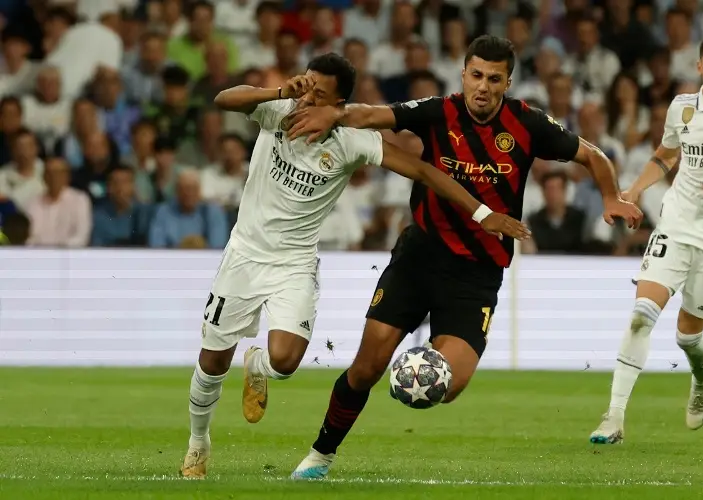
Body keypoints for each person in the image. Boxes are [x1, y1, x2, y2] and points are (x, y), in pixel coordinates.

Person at [285, 35, 643, 480]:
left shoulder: (528, 124)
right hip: (419, 257)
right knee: (366, 368)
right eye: (476, 75)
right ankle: (320, 455)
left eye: (494, 78)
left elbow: (593, 156)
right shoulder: (439, 111)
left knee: (447, 387)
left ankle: (415, 372)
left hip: (476, 275)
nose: (483, 86)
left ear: (507, 82)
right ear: (464, 75)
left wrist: (611, 197)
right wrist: (332, 113)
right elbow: (377, 114)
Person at [180, 52, 529, 479]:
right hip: (244, 255)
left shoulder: (353, 140)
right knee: (213, 361)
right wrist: (277, 91)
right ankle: (199, 443)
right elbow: (223, 99)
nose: (307, 98)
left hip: (294, 263)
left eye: (319, 94)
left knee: (285, 361)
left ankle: (259, 366)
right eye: (306, 85)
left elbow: (423, 171)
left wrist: (481, 214)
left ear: (339, 103)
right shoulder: (279, 110)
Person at [589, 33, 703, 444]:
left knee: (688, 335)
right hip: (675, 226)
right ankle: (614, 417)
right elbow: (666, 154)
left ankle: (701, 379)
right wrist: (634, 190)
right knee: (642, 313)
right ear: (698, 67)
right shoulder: (682, 107)